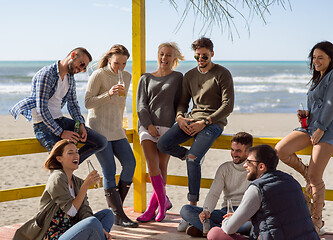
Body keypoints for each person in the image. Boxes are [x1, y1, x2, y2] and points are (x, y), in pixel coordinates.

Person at [157, 37, 234, 226]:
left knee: (193, 160)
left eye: (205, 55)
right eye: (198, 55)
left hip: (212, 123)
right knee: (163, 144)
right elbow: (183, 102)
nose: (201, 58)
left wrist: (205, 121)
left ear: (212, 54)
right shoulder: (190, 75)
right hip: (190, 120)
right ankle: (191, 156)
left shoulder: (222, 73)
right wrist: (180, 117)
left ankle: (191, 209)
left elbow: (228, 105)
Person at [9, 47, 107, 163]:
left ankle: (69, 164)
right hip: (43, 125)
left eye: (84, 68)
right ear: (73, 55)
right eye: (81, 64)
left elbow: (73, 104)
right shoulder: (46, 74)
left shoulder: (70, 78)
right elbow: (42, 109)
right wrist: (61, 132)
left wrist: (80, 124)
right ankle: (64, 165)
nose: (81, 70)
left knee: (100, 142)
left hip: (60, 121)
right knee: (62, 161)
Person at [275, 41, 333, 235]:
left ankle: (316, 223)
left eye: (320, 57)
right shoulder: (318, 77)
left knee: (317, 178)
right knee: (280, 150)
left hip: (327, 131)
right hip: (310, 127)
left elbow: (330, 105)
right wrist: (306, 114)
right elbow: (319, 105)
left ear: (330, 58)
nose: (316, 61)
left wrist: (321, 128)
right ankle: (306, 173)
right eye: (314, 57)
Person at [207, 144, 319, 240]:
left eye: (249, 162)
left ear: (261, 166)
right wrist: (243, 216)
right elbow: (281, 215)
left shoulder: (257, 188)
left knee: (215, 233)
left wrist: (227, 221)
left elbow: (229, 228)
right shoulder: (292, 181)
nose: (245, 165)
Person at [13, 139, 114, 240]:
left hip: (70, 229)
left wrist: (100, 229)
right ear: (59, 158)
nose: (76, 156)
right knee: (92, 223)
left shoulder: (78, 182)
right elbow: (70, 211)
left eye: (77, 152)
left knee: (107, 214)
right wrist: (85, 186)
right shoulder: (57, 178)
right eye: (70, 153)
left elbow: (85, 211)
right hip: (54, 235)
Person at [85, 44, 137, 228]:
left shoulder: (127, 76)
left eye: (124, 63)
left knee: (131, 164)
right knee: (109, 169)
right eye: (116, 63)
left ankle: (117, 211)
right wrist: (108, 93)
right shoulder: (98, 75)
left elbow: (119, 106)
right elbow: (88, 103)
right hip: (99, 130)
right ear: (109, 59)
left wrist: (122, 126)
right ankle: (119, 214)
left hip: (116, 129)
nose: (120, 67)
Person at [136, 42, 184, 222]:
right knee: (152, 164)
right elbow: (141, 104)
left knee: (162, 167)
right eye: (162, 54)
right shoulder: (146, 78)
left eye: (169, 55)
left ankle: (155, 206)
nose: (164, 58)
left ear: (174, 58)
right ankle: (158, 205)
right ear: (157, 55)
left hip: (168, 128)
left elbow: (181, 103)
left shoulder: (178, 77)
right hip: (147, 128)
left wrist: (179, 121)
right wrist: (148, 125)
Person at [179, 132, 253, 237]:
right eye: (232, 150)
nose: (234, 154)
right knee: (186, 210)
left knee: (248, 227)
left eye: (238, 151)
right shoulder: (225, 168)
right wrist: (206, 211)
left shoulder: (253, 169)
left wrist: (242, 215)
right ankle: (220, 230)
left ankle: (210, 229)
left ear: (248, 152)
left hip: (244, 214)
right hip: (225, 213)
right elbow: (214, 193)